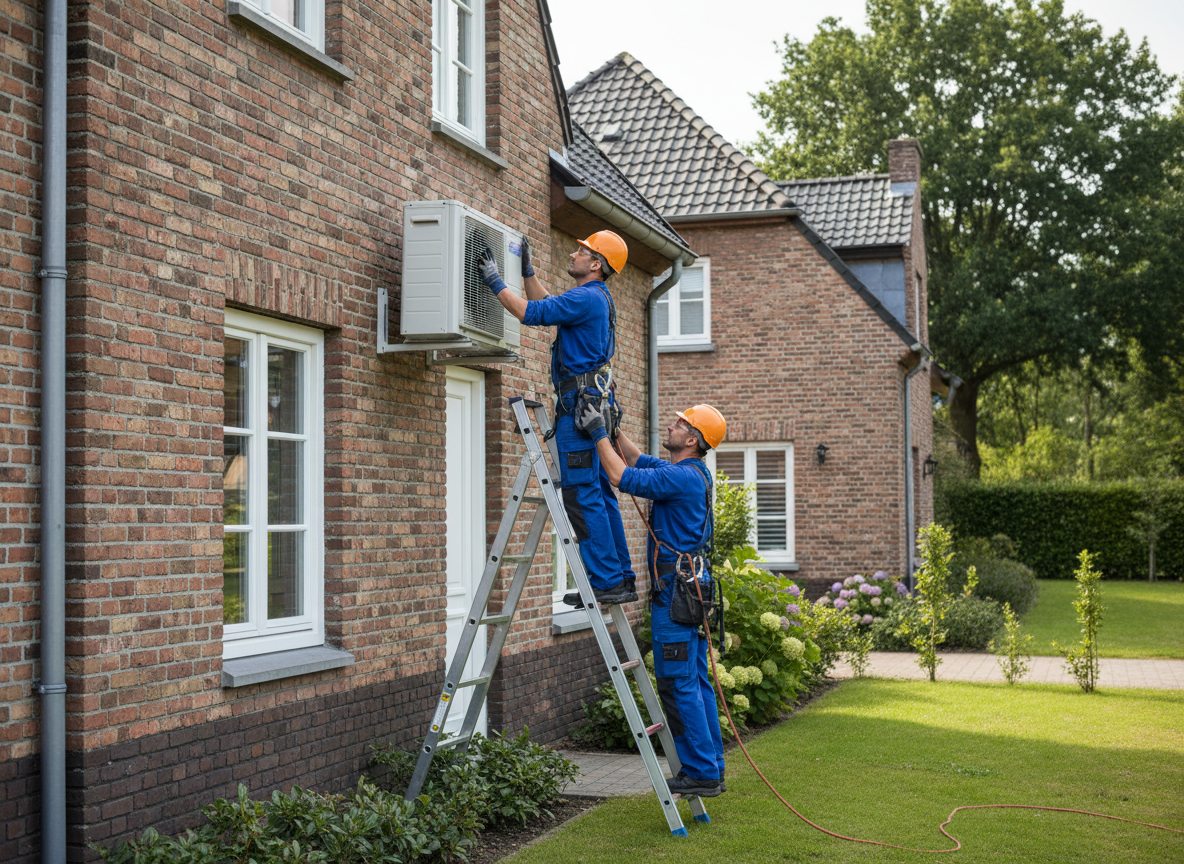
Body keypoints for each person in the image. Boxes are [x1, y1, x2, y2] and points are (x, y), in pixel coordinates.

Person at [576, 399, 728, 798]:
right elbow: (637, 458)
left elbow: (621, 475)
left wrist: (594, 435)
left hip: (675, 599)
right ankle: (712, 765)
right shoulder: (689, 473)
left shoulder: (682, 479)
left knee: (679, 686)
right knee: (696, 682)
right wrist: (612, 430)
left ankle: (700, 772)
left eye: (680, 424)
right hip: (689, 592)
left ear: (692, 439)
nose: (673, 426)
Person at [479, 230, 638, 605]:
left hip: (578, 412)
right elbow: (550, 307)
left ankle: (605, 581)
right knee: (601, 494)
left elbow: (529, 313)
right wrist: (529, 272)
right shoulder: (594, 298)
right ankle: (620, 577)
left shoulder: (586, 296)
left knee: (583, 497)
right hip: (594, 407)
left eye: (581, 251)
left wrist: (493, 280)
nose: (573, 253)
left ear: (596, 264)